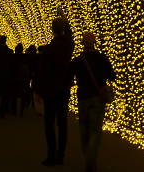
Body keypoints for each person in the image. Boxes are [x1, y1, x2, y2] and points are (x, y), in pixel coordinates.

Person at [70, 32, 115, 172]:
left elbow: (70, 76)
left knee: (84, 129)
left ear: (83, 43)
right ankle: (91, 159)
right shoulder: (102, 58)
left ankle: (88, 159)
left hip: (83, 97)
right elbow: (112, 76)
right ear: (94, 43)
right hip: (97, 97)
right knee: (95, 130)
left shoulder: (78, 60)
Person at [34, 17, 74, 166]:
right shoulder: (69, 44)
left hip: (50, 90)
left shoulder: (49, 48)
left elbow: (42, 71)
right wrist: (66, 23)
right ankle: (61, 156)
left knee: (49, 123)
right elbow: (69, 36)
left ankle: (51, 155)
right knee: (62, 123)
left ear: (52, 30)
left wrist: (37, 90)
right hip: (63, 89)